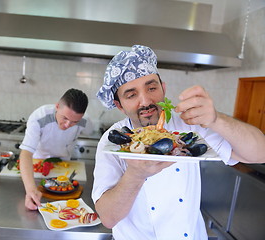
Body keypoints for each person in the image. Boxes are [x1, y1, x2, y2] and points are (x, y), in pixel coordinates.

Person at [92, 45, 265, 240]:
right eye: (131, 95)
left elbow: (260, 153)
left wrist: (217, 119)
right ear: (119, 105)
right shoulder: (111, 140)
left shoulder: (190, 124)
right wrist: (135, 175)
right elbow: (108, 218)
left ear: (163, 88)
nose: (146, 101)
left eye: (151, 88)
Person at [19, 88, 93, 210]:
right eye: (64, 118)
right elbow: (26, 153)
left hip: (65, 165)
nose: (67, 125)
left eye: (74, 122)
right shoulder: (39, 117)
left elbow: (90, 131)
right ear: (57, 106)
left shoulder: (85, 121)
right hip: (39, 165)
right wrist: (31, 190)